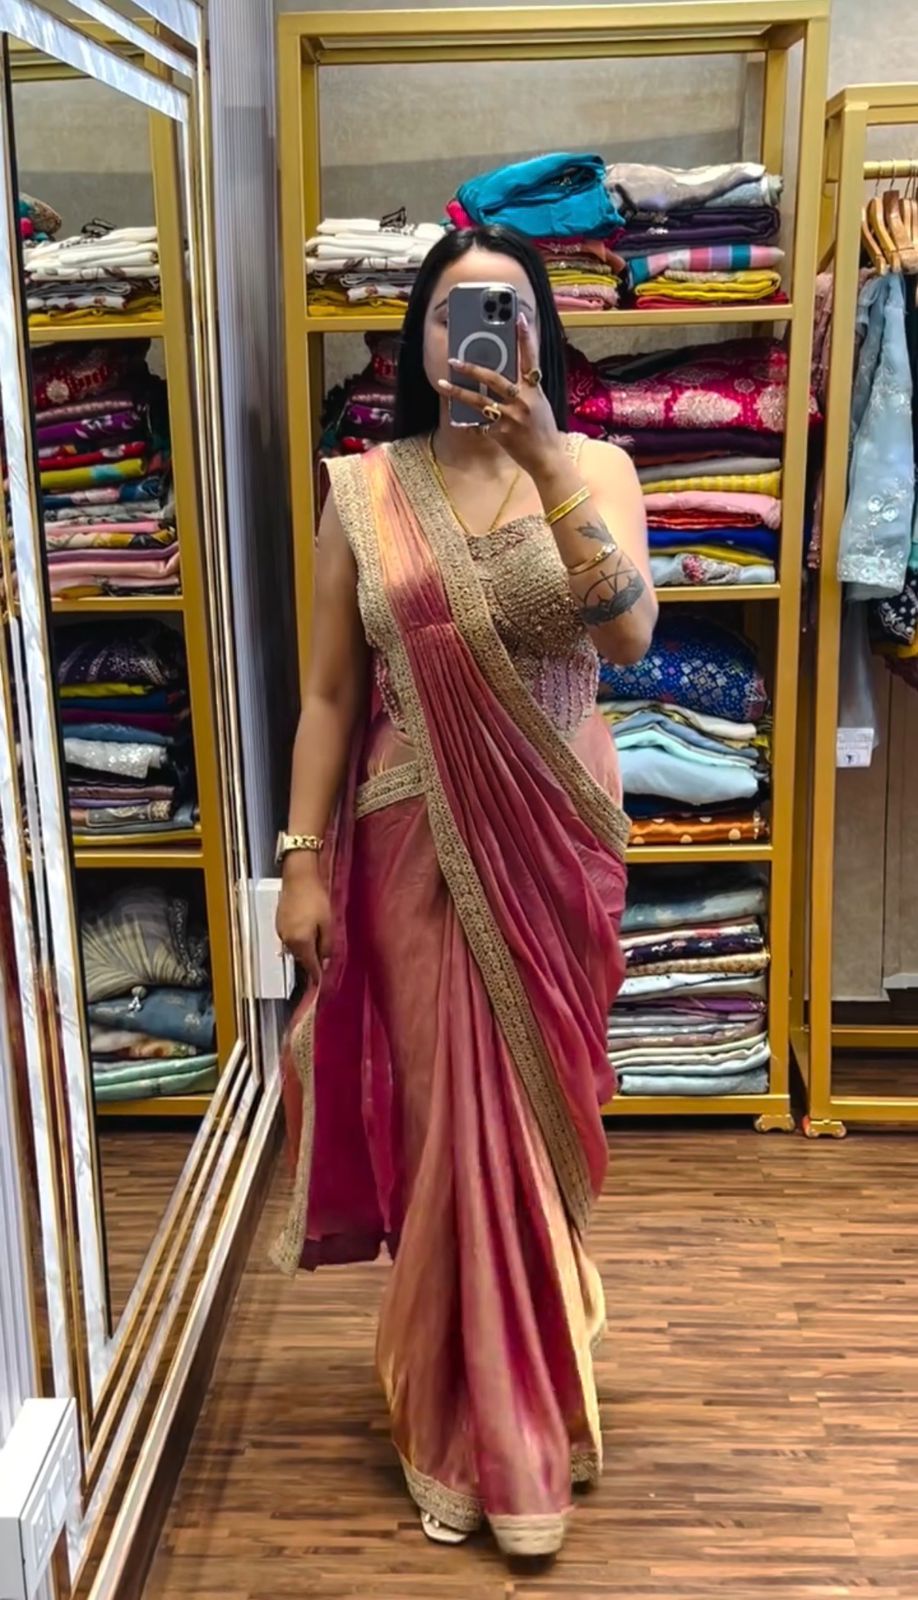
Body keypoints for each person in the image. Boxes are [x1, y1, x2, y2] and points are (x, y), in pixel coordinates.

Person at [272, 223, 656, 1559]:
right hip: (412, 845)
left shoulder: (598, 467)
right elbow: (331, 695)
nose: (477, 330)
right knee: (450, 1135)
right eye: (452, 309)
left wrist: (546, 460)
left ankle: (525, 1379)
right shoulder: (364, 489)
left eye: (504, 307)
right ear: (417, 337)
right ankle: (476, 1430)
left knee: (536, 1127)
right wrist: (300, 860)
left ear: (542, 328)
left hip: (558, 843)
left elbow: (628, 635)